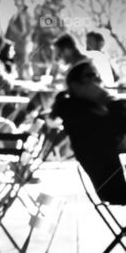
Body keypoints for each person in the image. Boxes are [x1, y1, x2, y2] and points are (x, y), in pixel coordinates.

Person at [52, 61, 126, 204]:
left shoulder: (93, 110)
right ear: (75, 85)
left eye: (98, 76)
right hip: (115, 189)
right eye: (91, 75)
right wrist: (107, 98)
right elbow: (119, 129)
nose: (98, 80)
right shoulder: (75, 111)